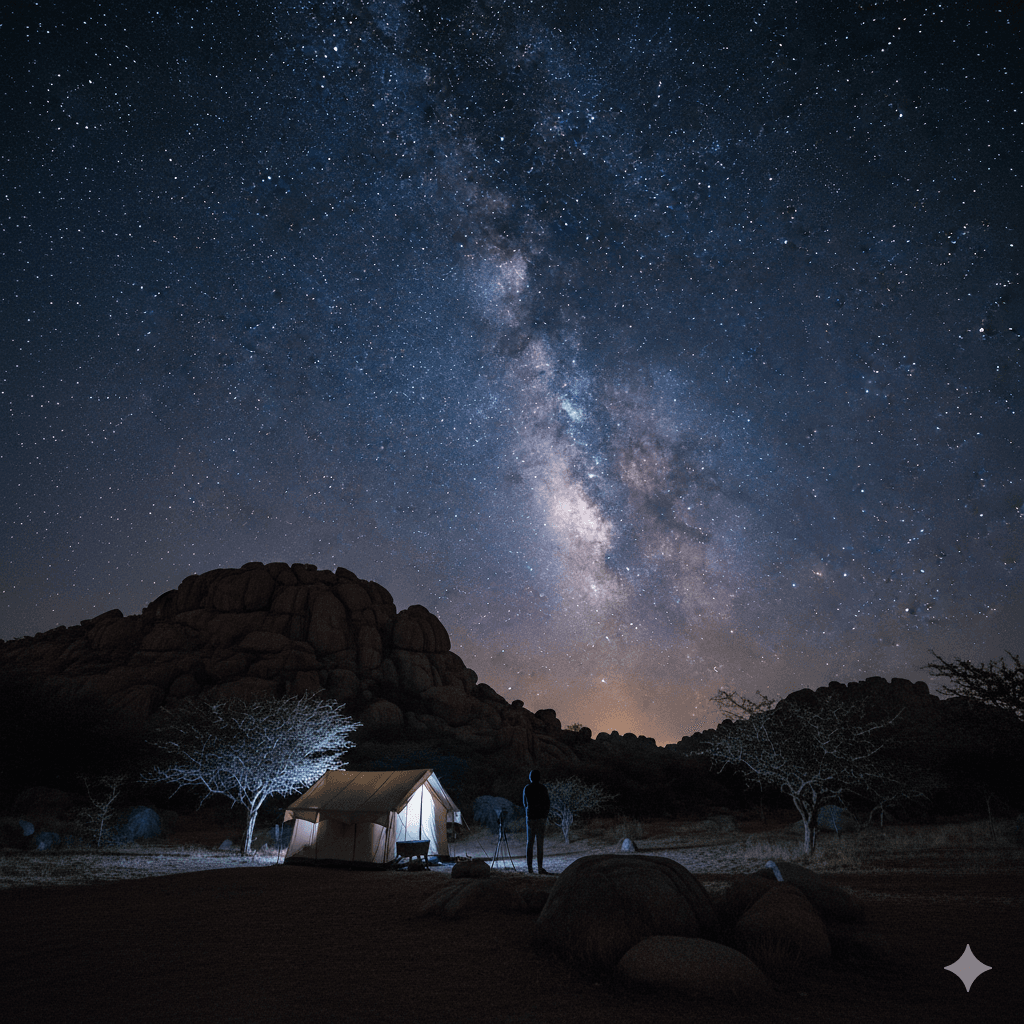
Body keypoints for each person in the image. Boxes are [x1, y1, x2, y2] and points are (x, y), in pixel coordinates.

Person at [522, 769, 550, 874]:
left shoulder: (527, 788)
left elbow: (525, 803)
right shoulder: (543, 788)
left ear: (530, 777)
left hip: (531, 818)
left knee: (530, 843)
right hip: (541, 818)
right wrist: (545, 815)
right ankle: (540, 868)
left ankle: (530, 868)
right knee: (540, 844)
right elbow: (547, 803)